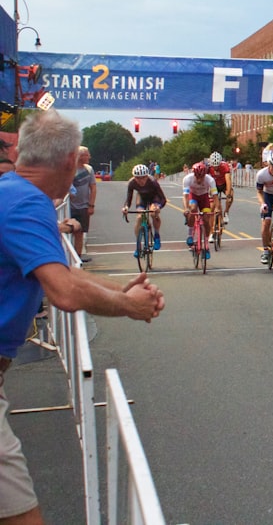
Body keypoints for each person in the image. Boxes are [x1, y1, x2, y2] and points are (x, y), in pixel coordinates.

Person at [0, 110, 164, 525]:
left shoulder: (10, 191)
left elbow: (63, 271)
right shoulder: (28, 204)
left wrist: (121, 288)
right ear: (72, 162)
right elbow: (65, 291)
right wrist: (131, 307)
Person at [122, 164, 167, 254]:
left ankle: (157, 235)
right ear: (134, 177)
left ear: (147, 176)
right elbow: (129, 199)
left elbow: (163, 199)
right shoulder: (132, 183)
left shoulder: (153, 181)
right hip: (141, 197)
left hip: (154, 197)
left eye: (143, 178)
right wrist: (126, 207)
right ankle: (138, 245)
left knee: (153, 213)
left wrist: (158, 207)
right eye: (138, 178)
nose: (141, 180)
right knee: (139, 217)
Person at [181, 162, 218, 260]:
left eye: (201, 177)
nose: (199, 179)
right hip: (193, 196)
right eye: (197, 177)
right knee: (192, 209)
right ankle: (190, 235)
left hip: (204, 198)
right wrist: (186, 208)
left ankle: (206, 244)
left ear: (205, 175)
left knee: (206, 218)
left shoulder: (210, 180)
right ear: (194, 174)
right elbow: (185, 196)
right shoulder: (187, 179)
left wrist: (217, 208)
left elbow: (215, 196)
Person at [68, 146, 96, 263]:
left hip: (84, 206)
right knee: (69, 232)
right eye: (87, 154)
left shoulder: (89, 170)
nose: (89, 157)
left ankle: (78, 257)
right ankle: (69, 257)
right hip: (70, 206)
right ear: (80, 156)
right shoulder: (70, 169)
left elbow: (93, 188)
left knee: (80, 232)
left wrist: (91, 205)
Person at [207, 151, 233, 227]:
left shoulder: (225, 166)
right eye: (214, 166)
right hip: (214, 185)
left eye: (217, 166)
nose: (215, 168)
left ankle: (226, 212)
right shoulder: (208, 168)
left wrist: (228, 195)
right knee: (212, 206)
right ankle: (212, 229)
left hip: (223, 184)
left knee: (230, 196)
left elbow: (228, 181)